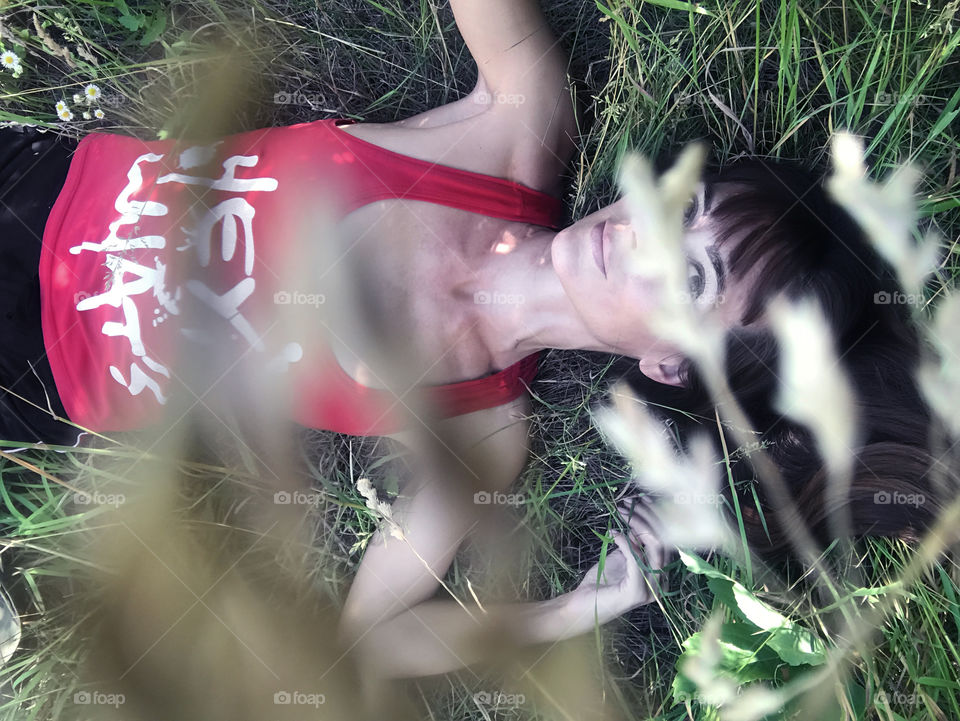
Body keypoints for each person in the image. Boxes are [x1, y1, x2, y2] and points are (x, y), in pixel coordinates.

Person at [0, 0, 941, 680]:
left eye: (690, 279)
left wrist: (586, 604)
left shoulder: (482, 435)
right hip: (38, 188)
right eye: (686, 206)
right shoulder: (517, 125)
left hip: (35, 367)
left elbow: (359, 639)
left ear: (668, 362)